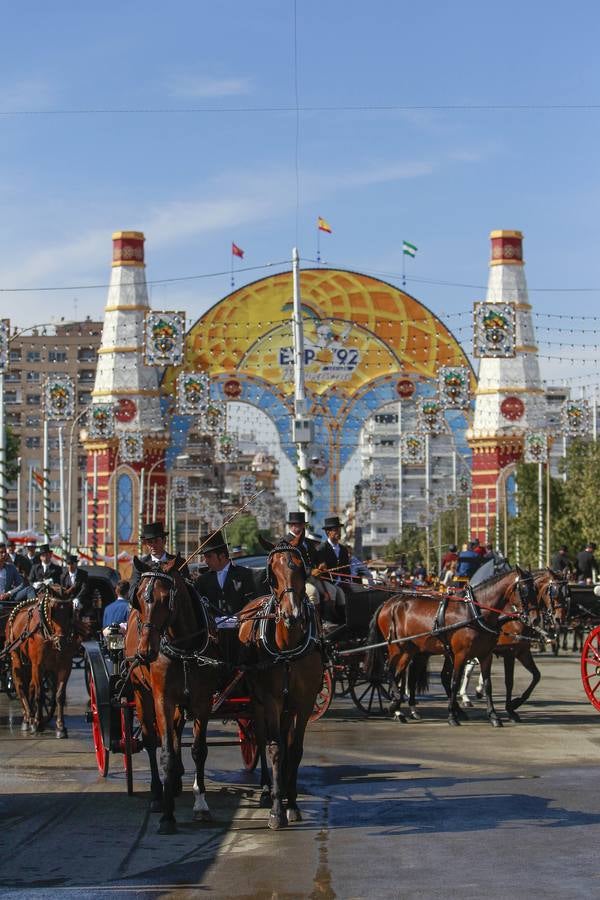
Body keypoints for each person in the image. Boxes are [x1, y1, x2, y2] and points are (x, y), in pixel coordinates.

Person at [194, 531, 257, 616]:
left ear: (222, 556)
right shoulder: (202, 580)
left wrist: (240, 617)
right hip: (214, 628)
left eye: (209, 556)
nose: (206, 561)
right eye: (205, 557)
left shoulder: (245, 575)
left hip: (240, 627)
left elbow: (253, 603)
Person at [128, 522, 189, 604]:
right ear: (146, 543)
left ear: (164, 541)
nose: (153, 545)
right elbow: (132, 589)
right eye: (149, 542)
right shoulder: (140, 564)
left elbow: (187, 588)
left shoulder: (179, 562)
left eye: (156, 541)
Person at [315, 515, 354, 622]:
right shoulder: (322, 548)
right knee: (339, 593)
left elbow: (347, 569)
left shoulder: (343, 549)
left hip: (341, 581)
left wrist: (347, 580)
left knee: (353, 592)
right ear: (328, 532)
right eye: (335, 530)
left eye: (339, 530)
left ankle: (350, 620)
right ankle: (331, 620)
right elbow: (320, 570)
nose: (339, 533)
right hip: (328, 582)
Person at [283, 511, 321, 606]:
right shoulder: (285, 543)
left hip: (312, 578)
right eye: (299, 524)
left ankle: (332, 618)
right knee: (313, 592)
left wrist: (321, 565)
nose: (301, 527)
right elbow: (290, 565)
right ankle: (312, 620)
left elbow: (316, 557)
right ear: (291, 526)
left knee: (332, 591)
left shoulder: (307, 541)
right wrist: (310, 571)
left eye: (302, 524)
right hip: (296, 580)